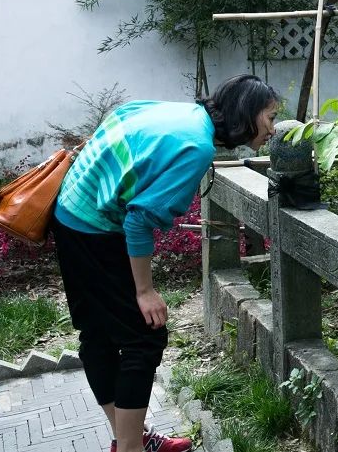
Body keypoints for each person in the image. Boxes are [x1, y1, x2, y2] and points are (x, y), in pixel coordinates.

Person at [52, 75, 279, 452]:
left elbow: (118, 117)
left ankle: (129, 438)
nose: (272, 128)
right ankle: (130, 447)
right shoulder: (196, 146)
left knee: (98, 333)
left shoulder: (183, 114)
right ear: (247, 115)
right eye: (270, 118)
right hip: (93, 226)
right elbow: (138, 220)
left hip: (70, 208)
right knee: (144, 335)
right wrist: (145, 290)